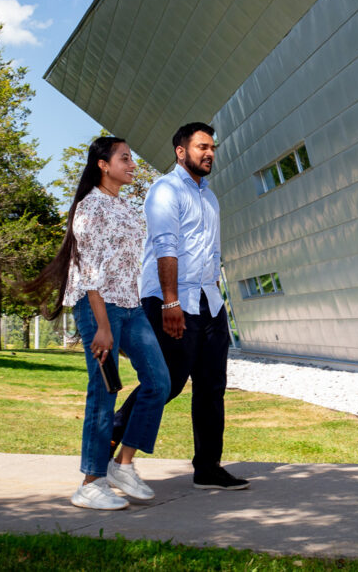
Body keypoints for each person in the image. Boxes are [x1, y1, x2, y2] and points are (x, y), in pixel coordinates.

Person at [24, 136, 170, 510]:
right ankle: (90, 483)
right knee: (104, 391)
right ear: (103, 164)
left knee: (160, 381)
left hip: (130, 306)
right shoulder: (90, 208)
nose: (132, 164)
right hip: (97, 308)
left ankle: (122, 464)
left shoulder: (124, 207)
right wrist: (103, 326)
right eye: (125, 158)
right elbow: (90, 273)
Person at [113, 122, 248, 490]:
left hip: (208, 302)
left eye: (212, 148)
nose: (209, 153)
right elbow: (165, 247)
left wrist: (216, 296)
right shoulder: (165, 190)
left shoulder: (210, 197)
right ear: (180, 151)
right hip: (170, 300)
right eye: (202, 147)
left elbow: (211, 252)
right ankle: (110, 437)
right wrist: (171, 302)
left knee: (211, 386)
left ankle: (208, 467)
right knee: (167, 382)